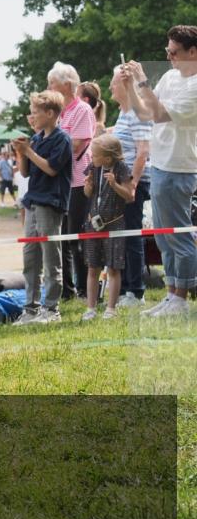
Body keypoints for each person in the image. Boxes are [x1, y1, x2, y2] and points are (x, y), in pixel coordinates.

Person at [122, 25, 197, 317]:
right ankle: (170, 295)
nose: (169, 58)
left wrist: (142, 82)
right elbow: (143, 112)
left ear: (193, 52)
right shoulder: (169, 77)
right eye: (167, 52)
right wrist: (130, 85)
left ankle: (181, 297)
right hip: (162, 164)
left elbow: (159, 113)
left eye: (174, 52)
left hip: (180, 168)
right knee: (164, 237)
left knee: (179, 237)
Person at [11, 91, 73, 325]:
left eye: (36, 112)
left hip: (51, 202)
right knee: (31, 258)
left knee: (50, 258)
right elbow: (26, 172)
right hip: (33, 202)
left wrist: (28, 152)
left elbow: (51, 169)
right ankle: (30, 308)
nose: (32, 116)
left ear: (51, 113)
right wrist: (21, 153)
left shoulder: (62, 139)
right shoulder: (36, 139)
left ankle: (51, 308)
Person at [48, 61, 95, 300]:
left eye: (52, 83)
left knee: (75, 237)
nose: (48, 87)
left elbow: (76, 145)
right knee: (63, 239)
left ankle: (85, 289)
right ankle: (67, 289)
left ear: (67, 85)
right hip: (62, 183)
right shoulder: (59, 112)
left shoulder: (82, 110)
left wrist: (51, 154)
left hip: (78, 182)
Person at [109, 70, 153, 308]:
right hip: (120, 182)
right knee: (123, 237)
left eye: (113, 84)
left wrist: (133, 183)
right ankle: (125, 287)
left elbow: (143, 151)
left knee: (132, 236)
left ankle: (135, 291)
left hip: (134, 182)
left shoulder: (138, 113)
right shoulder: (123, 114)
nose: (110, 89)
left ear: (125, 85)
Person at [81, 134, 135, 320]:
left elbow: (130, 196)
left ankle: (110, 308)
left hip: (114, 224)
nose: (91, 158)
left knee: (113, 267)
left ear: (108, 158)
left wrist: (114, 184)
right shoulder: (93, 168)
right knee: (92, 267)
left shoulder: (122, 169)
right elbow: (88, 193)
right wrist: (87, 187)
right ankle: (91, 308)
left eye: (95, 155)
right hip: (93, 223)